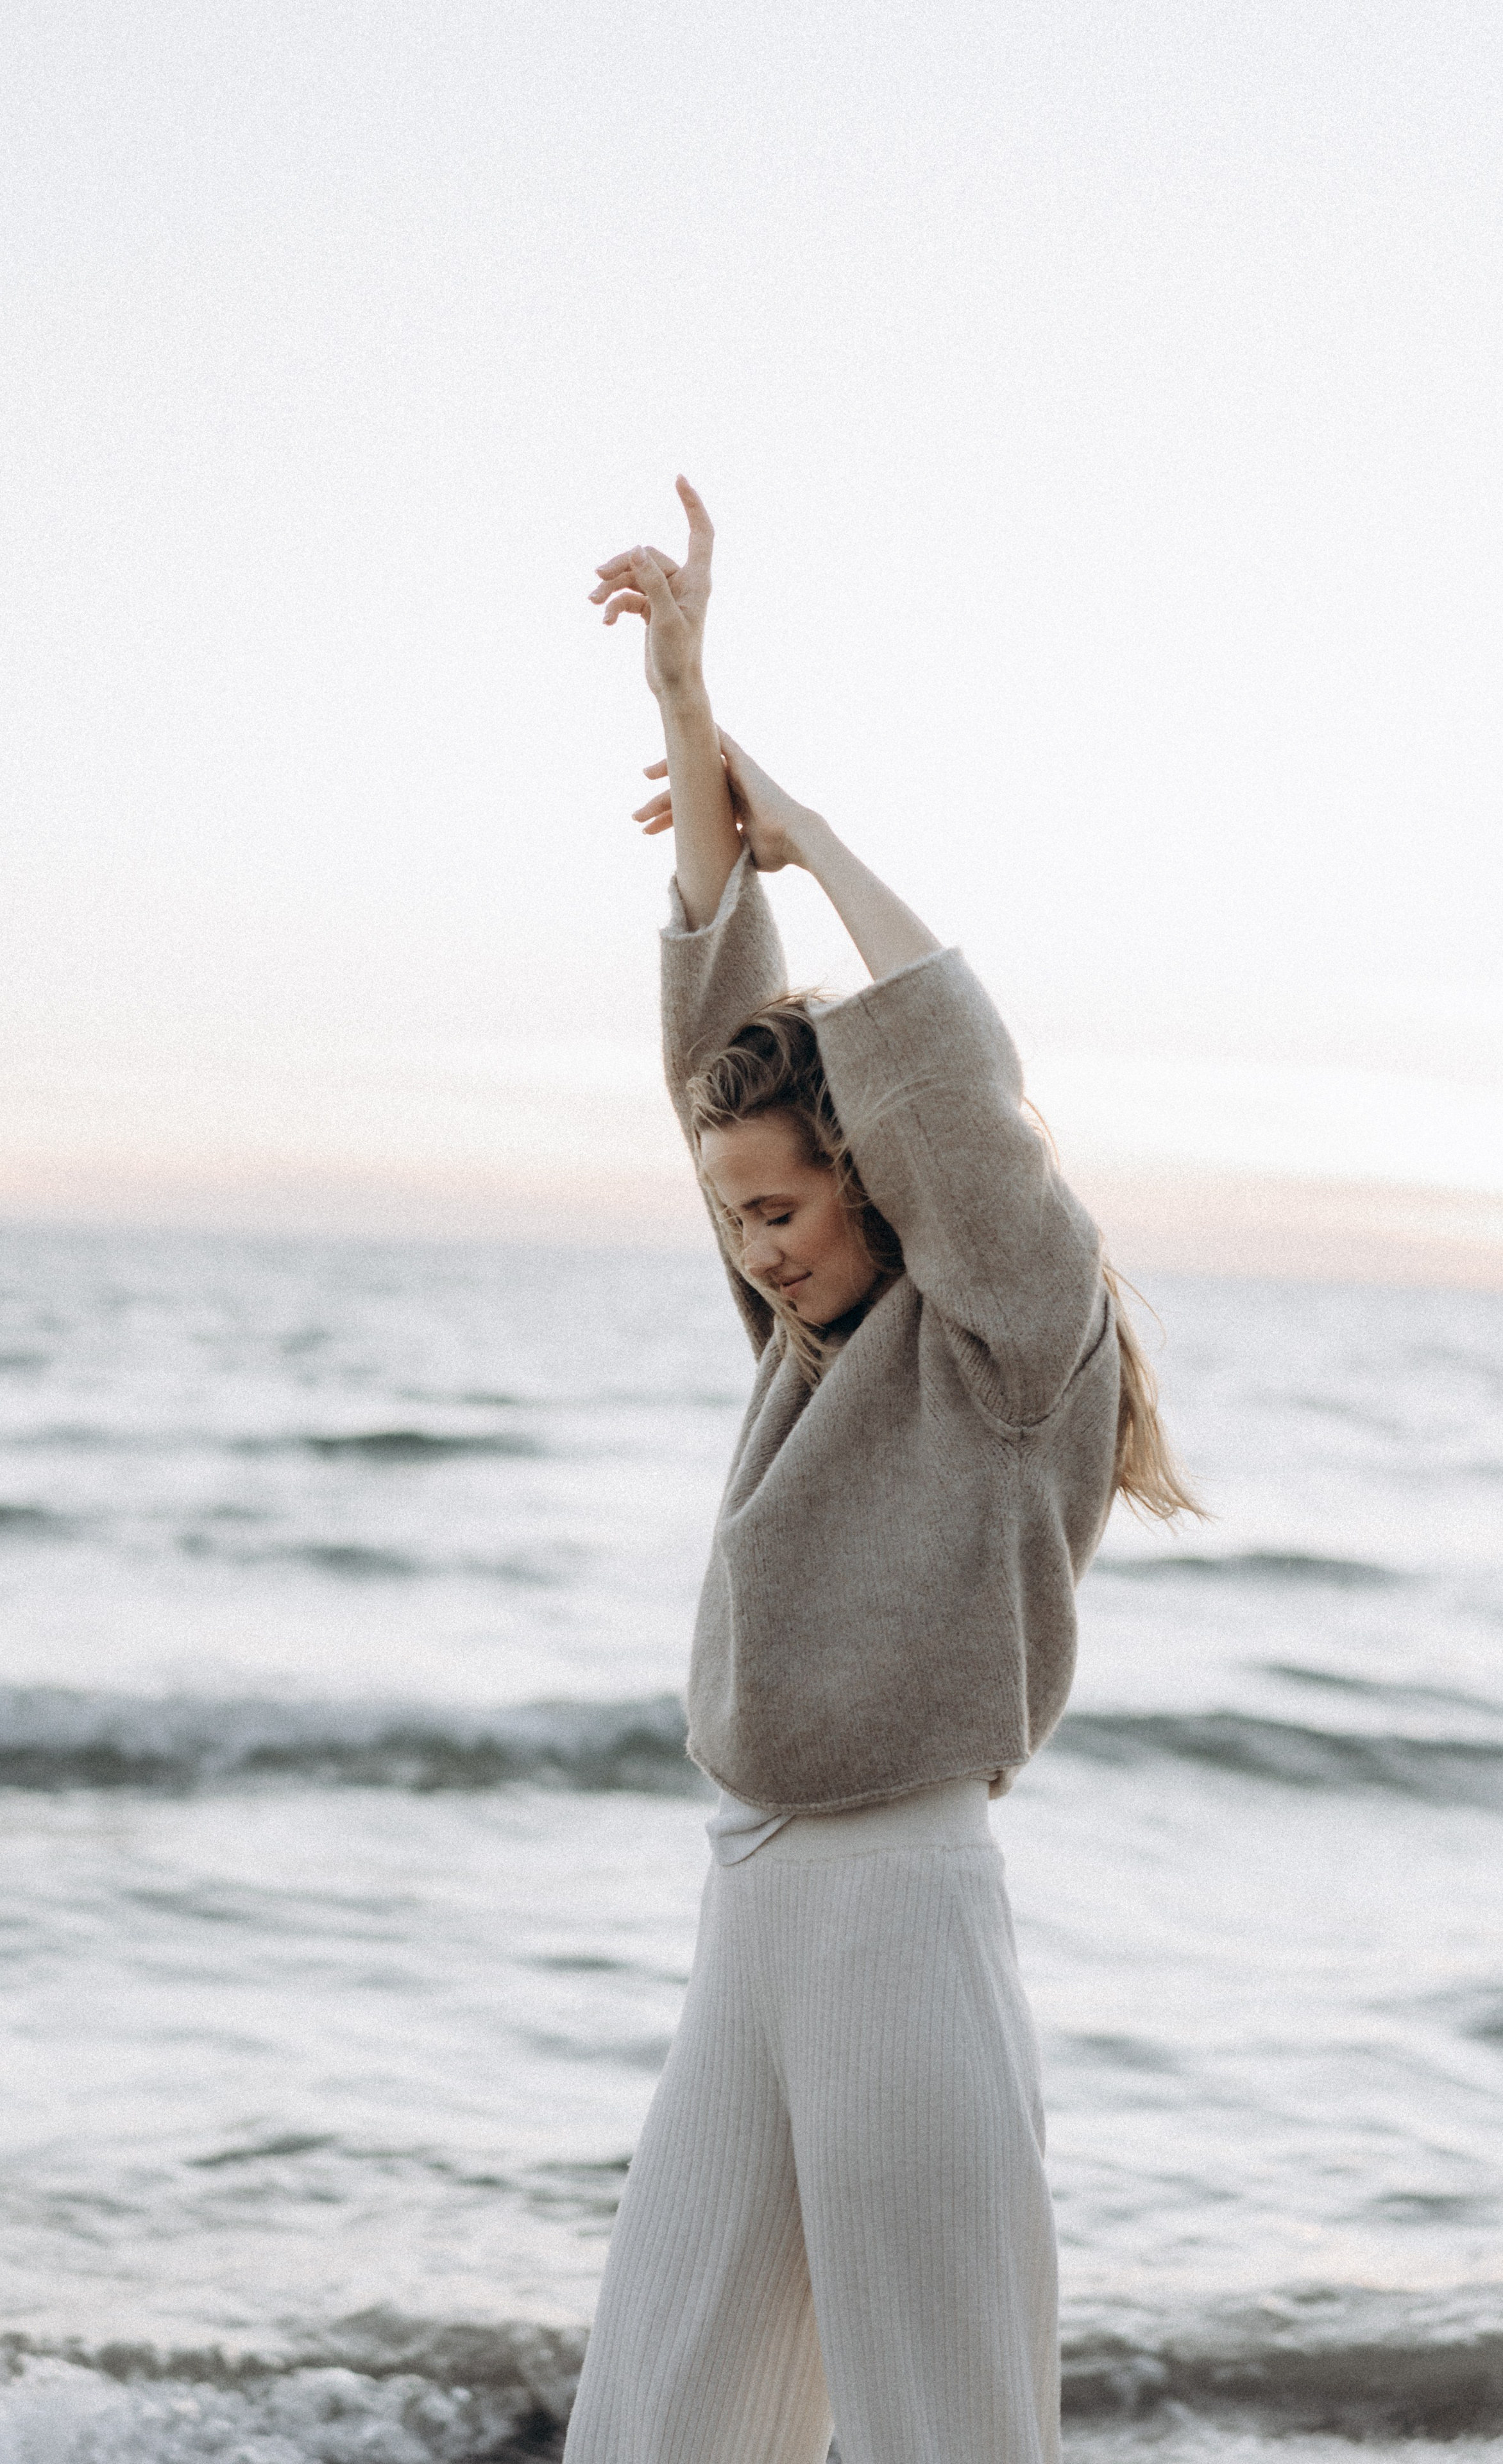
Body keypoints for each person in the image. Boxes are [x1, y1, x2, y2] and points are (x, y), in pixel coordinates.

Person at [568, 479, 1199, 2464]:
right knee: (656, 2417)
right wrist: (689, 711)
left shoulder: (1008, 1334)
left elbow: (955, 1081)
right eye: (731, 1217)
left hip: (902, 1906)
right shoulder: (808, 1348)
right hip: (749, 1902)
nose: (757, 1248)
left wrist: (812, 834)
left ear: (876, 1178)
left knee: (946, 2430)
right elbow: (711, 1020)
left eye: (784, 1205)